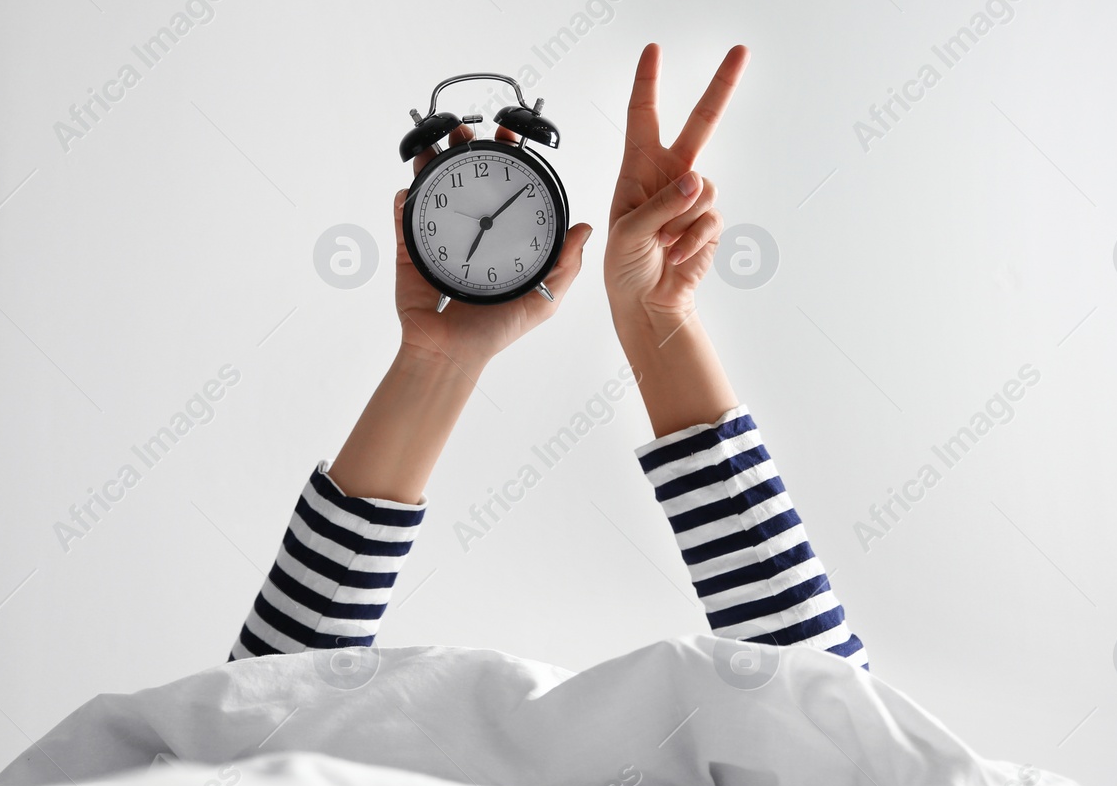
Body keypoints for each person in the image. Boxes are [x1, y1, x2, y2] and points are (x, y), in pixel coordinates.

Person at [229, 44, 865, 672]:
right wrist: (650, 324)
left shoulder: (258, 766)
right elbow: (829, 715)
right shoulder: (828, 754)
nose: (481, 226)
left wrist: (657, 320)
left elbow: (257, 704)